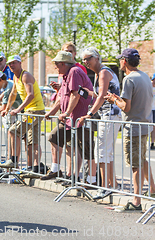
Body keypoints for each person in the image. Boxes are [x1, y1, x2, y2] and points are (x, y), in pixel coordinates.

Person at [104, 48, 155, 210]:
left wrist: (113, 100)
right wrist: (119, 100)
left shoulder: (129, 79)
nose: (119, 62)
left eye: (120, 59)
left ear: (124, 61)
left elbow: (126, 107)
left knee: (135, 165)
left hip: (133, 127)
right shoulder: (145, 76)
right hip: (144, 125)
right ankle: (152, 189)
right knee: (141, 159)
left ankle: (136, 201)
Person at [76, 47, 121, 199]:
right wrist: (85, 92)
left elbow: (101, 97)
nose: (85, 62)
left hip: (109, 115)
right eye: (83, 59)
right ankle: (112, 184)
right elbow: (98, 95)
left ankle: (105, 187)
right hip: (110, 116)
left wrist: (89, 114)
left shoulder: (103, 73)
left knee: (101, 152)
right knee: (106, 152)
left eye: (88, 58)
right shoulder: (99, 73)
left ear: (97, 58)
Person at [42, 51, 94, 181]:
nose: (55, 67)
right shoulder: (66, 75)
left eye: (56, 64)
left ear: (63, 64)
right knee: (54, 137)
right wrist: (52, 112)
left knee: (85, 148)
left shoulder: (74, 72)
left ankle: (90, 180)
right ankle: (56, 170)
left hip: (80, 118)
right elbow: (63, 97)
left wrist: (66, 113)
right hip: (69, 119)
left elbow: (75, 95)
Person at [0, 55, 46, 177]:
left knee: (14, 131)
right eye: (10, 64)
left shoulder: (26, 76)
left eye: (14, 63)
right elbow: (13, 94)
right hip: (32, 112)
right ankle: (34, 169)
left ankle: (14, 160)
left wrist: (18, 109)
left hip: (35, 112)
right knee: (32, 141)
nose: (11, 65)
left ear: (20, 63)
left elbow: (30, 95)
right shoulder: (16, 77)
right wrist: (6, 109)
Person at [151, 74, 155, 150]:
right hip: (149, 109)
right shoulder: (149, 86)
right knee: (150, 127)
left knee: (154, 127)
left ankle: (152, 142)